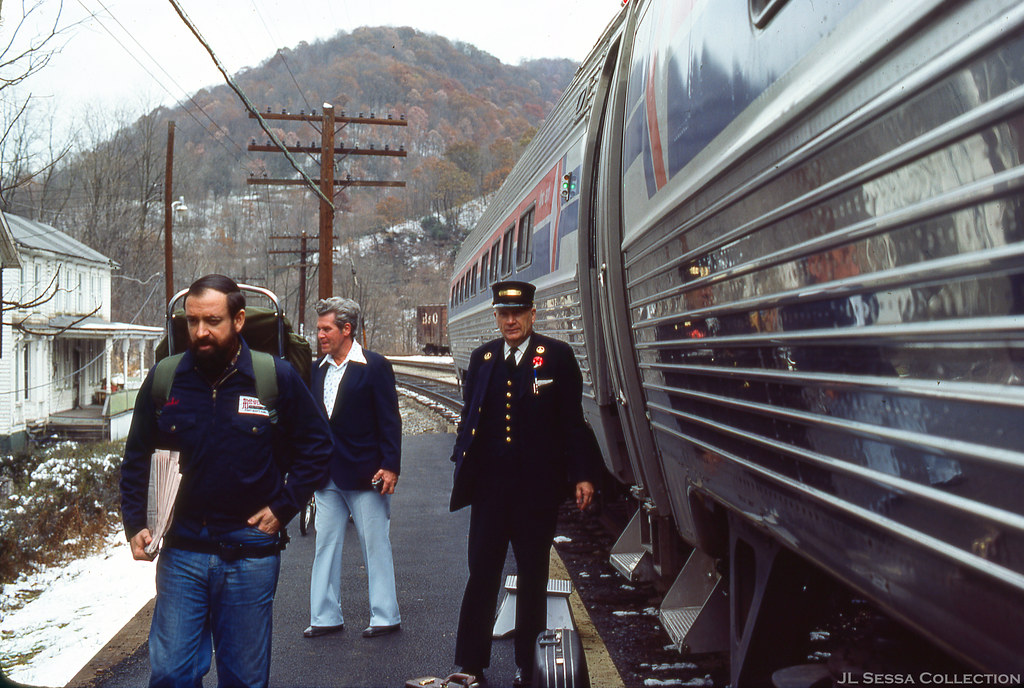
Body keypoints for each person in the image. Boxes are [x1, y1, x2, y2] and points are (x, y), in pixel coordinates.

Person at [119, 274, 333, 688]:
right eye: (193, 321)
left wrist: (284, 507)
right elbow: (136, 457)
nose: (201, 332)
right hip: (182, 552)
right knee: (170, 674)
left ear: (237, 321)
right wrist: (134, 522)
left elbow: (318, 446)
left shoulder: (275, 378)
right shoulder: (166, 380)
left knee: (244, 679)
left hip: (249, 553)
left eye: (212, 321)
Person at [450, 280, 601, 687]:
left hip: (536, 491)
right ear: (496, 316)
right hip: (490, 490)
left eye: (518, 313)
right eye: (503, 313)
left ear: (533, 314)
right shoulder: (483, 358)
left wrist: (583, 473)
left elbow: (572, 421)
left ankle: (528, 663)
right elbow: (470, 419)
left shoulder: (556, 356)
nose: (510, 320)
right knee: (481, 572)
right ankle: (469, 663)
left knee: (533, 576)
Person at [305, 297, 403, 639]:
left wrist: (390, 466)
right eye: (318, 329)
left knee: (374, 544)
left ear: (347, 329)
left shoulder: (374, 366)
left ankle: (385, 615)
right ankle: (325, 616)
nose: (320, 335)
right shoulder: (316, 369)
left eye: (326, 328)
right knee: (325, 545)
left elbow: (390, 419)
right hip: (326, 475)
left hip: (366, 474)